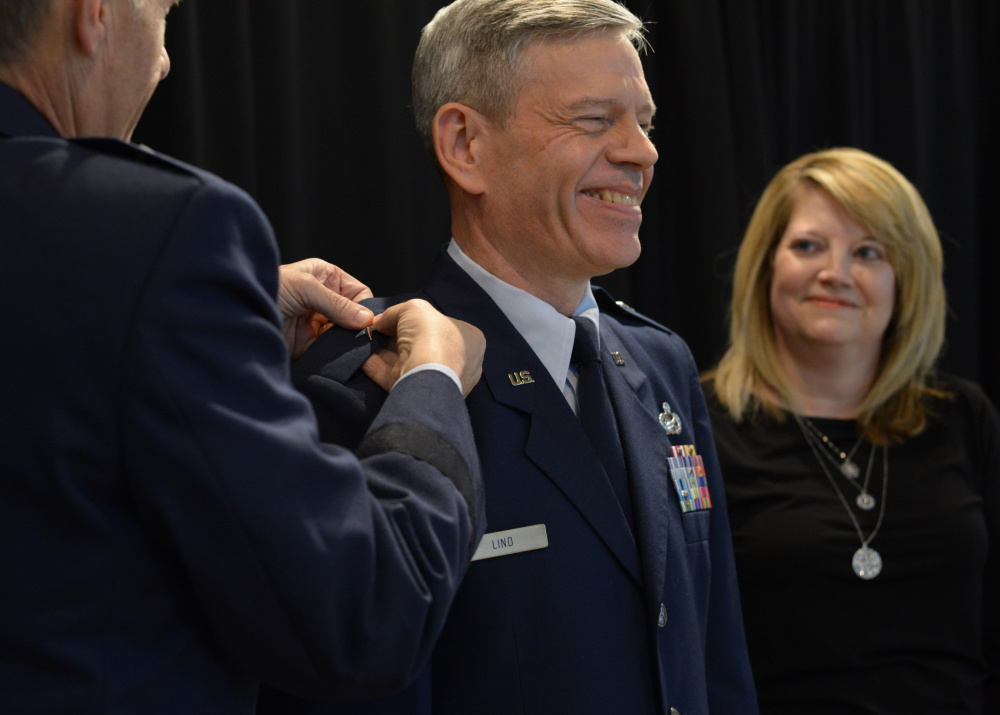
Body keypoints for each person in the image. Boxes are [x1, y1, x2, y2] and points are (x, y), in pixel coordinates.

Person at [261, 1, 757, 714]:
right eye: (594, 120)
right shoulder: (368, 380)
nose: (642, 152)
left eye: (643, 122)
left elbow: (714, 657)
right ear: (465, 144)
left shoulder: (663, 362)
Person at [0, 0, 489, 712]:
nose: (166, 61)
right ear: (93, 13)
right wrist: (434, 381)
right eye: (163, 15)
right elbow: (363, 612)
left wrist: (213, 305)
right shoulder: (163, 227)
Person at [703, 147, 1000, 713]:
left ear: (904, 280)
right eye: (808, 246)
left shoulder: (963, 417)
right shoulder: (700, 425)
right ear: (767, 265)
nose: (834, 273)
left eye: (868, 252)